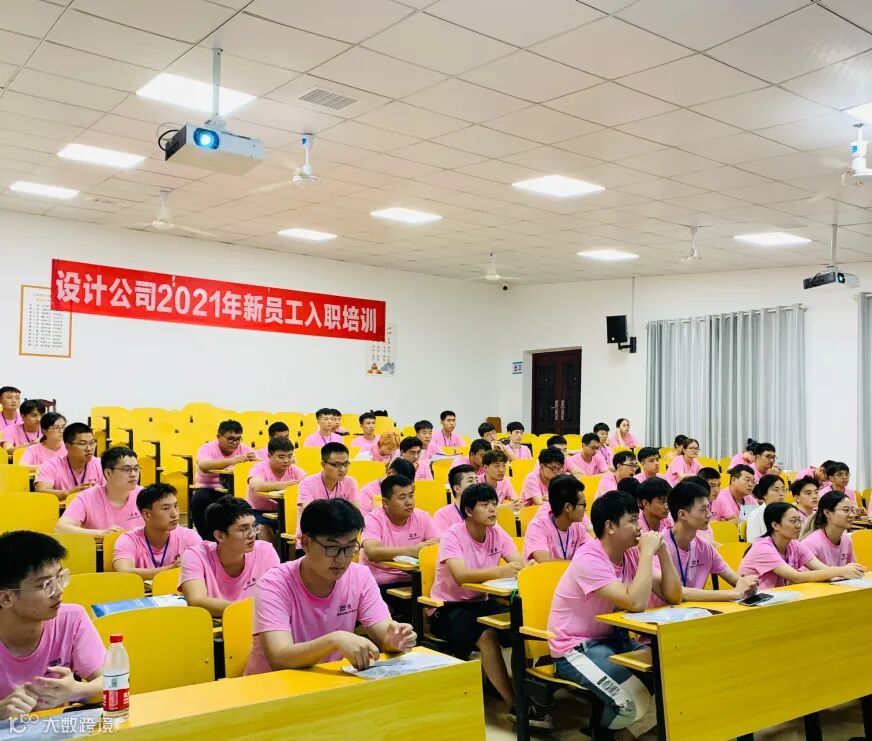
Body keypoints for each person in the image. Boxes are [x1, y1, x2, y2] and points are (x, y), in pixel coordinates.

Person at [549, 491, 682, 740]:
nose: (639, 527)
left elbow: (673, 595)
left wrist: (662, 553)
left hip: (614, 640)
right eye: (632, 520)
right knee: (630, 701)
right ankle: (606, 732)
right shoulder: (589, 558)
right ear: (610, 526)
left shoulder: (630, 552)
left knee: (674, 671)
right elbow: (636, 602)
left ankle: (609, 729)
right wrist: (647, 553)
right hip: (576, 647)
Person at [245, 499, 415, 674]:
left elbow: (384, 633)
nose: (341, 559)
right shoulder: (274, 584)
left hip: (331, 680)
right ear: (305, 543)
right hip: (273, 684)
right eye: (332, 548)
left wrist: (395, 639)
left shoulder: (360, 576)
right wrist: (334, 640)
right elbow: (279, 659)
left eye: (350, 547)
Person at [430, 484, 542, 725]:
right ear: (469, 511)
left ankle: (527, 691)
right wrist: (501, 571)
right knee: (487, 635)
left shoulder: (496, 532)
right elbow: (461, 576)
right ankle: (516, 705)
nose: (493, 509)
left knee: (522, 628)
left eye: (494, 503)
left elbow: (518, 564)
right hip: (448, 606)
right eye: (485, 505)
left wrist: (527, 568)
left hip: (483, 600)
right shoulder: (453, 535)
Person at [0, 531, 105, 720]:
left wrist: (78, 691)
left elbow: (114, 681)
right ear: (6, 598)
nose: (59, 590)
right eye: (45, 585)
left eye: (59, 577)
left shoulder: (72, 618)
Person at [180, 496, 280, 618]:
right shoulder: (196, 556)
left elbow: (278, 597)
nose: (252, 534)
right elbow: (196, 601)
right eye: (244, 529)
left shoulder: (265, 551)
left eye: (254, 526)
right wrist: (249, 611)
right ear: (219, 536)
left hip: (255, 625)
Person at [664, 480, 758, 602]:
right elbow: (677, 592)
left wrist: (748, 584)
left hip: (697, 611)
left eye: (708, 508)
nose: (709, 515)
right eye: (703, 510)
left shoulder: (705, 547)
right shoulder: (660, 546)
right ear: (682, 515)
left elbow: (735, 580)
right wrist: (733, 593)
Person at [738, 502, 864, 589]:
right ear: (775, 525)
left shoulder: (795, 545)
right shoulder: (763, 547)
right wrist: (841, 570)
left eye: (799, 520)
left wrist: (846, 571)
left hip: (778, 599)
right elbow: (796, 577)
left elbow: (822, 568)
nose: (799, 525)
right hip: (752, 604)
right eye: (793, 521)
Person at [360, 474, 440, 590]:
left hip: (416, 580)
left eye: (411, 496)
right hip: (380, 584)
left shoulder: (422, 516)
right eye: (402, 498)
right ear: (385, 503)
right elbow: (371, 552)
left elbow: (438, 545)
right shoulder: (373, 519)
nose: (409, 502)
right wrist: (413, 551)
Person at [113, 483, 202, 579]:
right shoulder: (129, 540)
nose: (174, 514)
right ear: (147, 514)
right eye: (166, 508)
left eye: (175, 506)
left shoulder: (189, 537)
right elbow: (124, 572)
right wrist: (171, 569)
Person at [55, 446, 144, 538]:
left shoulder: (144, 495)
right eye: (127, 469)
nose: (134, 474)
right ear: (108, 473)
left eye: (136, 469)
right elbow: (60, 528)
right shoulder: (87, 497)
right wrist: (101, 534)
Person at [191, 420, 257, 540]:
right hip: (210, 488)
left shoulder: (245, 449)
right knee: (199, 499)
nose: (235, 443)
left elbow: (261, 468)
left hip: (236, 489)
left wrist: (255, 460)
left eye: (238, 439)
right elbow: (203, 465)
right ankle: (208, 540)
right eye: (230, 439)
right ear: (219, 437)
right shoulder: (207, 448)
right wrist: (231, 461)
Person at [296, 443, 359, 540]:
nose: (343, 469)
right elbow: (311, 514)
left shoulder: (350, 482)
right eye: (337, 465)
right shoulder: (307, 483)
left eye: (346, 464)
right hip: (312, 538)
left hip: (341, 539)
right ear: (323, 465)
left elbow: (355, 513)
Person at [247, 437, 306, 540]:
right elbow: (257, 486)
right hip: (257, 512)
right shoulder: (259, 468)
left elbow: (307, 482)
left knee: (298, 528)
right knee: (263, 528)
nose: (286, 461)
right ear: (269, 456)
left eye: (290, 456)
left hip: (286, 512)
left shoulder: (294, 469)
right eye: (281, 457)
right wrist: (287, 484)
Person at [523, 474, 588, 562]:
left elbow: (593, 552)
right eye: (583, 504)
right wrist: (578, 564)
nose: (585, 509)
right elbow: (544, 561)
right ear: (568, 507)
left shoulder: (578, 527)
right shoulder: (537, 526)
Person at [34, 423, 104, 501]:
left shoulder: (101, 464)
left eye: (92, 443)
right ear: (67, 446)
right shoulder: (51, 465)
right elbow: (41, 492)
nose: (89, 448)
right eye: (83, 444)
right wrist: (69, 493)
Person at [801, 492, 857, 567]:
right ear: (827, 513)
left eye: (852, 510)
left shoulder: (846, 540)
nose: (852, 515)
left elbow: (853, 569)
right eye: (846, 510)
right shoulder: (811, 544)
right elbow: (804, 573)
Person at [434, 464, 477, 533]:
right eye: (470, 481)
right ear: (457, 488)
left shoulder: (483, 510)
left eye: (476, 480)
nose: (476, 484)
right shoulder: (443, 516)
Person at [745, 474, 787, 544]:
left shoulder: (788, 512)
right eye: (776, 490)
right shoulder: (755, 515)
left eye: (783, 489)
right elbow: (753, 543)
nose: (781, 494)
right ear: (764, 494)